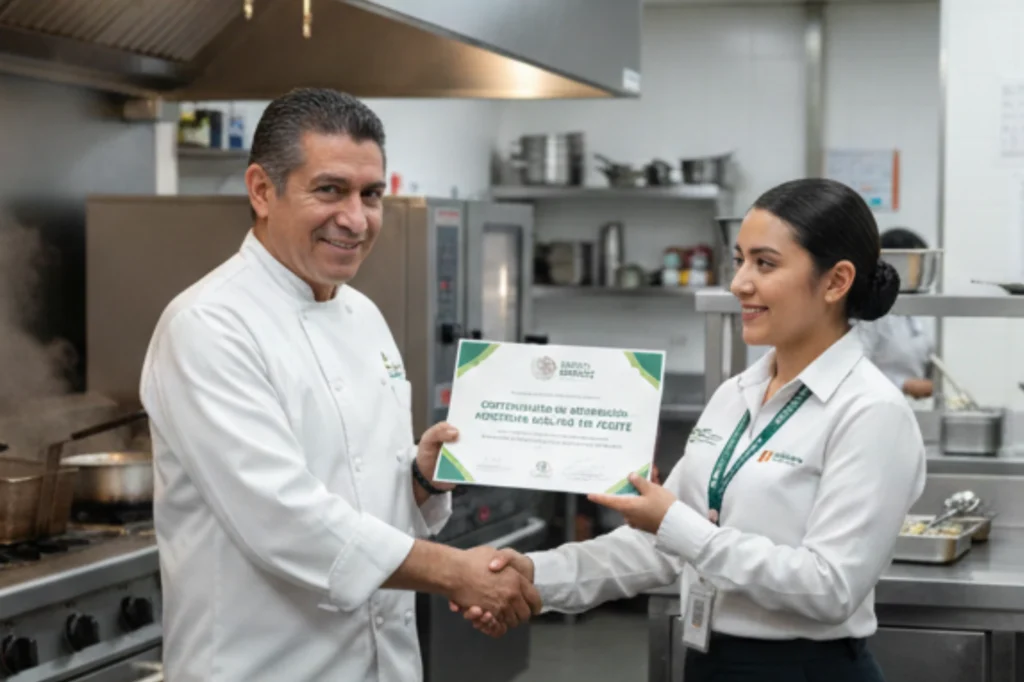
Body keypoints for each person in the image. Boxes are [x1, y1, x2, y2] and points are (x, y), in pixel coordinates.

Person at [139, 88, 539, 682]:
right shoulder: (208, 325)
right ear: (261, 190)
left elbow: (353, 484)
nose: (356, 218)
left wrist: (419, 482)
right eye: (330, 190)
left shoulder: (363, 315)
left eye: (371, 194)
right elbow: (284, 518)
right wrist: (457, 571)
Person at [460, 178, 927, 681]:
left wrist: (679, 525)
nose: (739, 283)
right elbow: (658, 544)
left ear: (836, 282)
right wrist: (536, 575)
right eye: (740, 259)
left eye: (765, 263)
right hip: (711, 662)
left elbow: (830, 587)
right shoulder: (737, 395)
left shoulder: (871, 412)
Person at [858, 227, 935, 399]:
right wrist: (904, 384)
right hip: (877, 401)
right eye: (915, 262)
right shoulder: (871, 312)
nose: (919, 270)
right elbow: (857, 369)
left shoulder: (921, 307)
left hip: (916, 406)